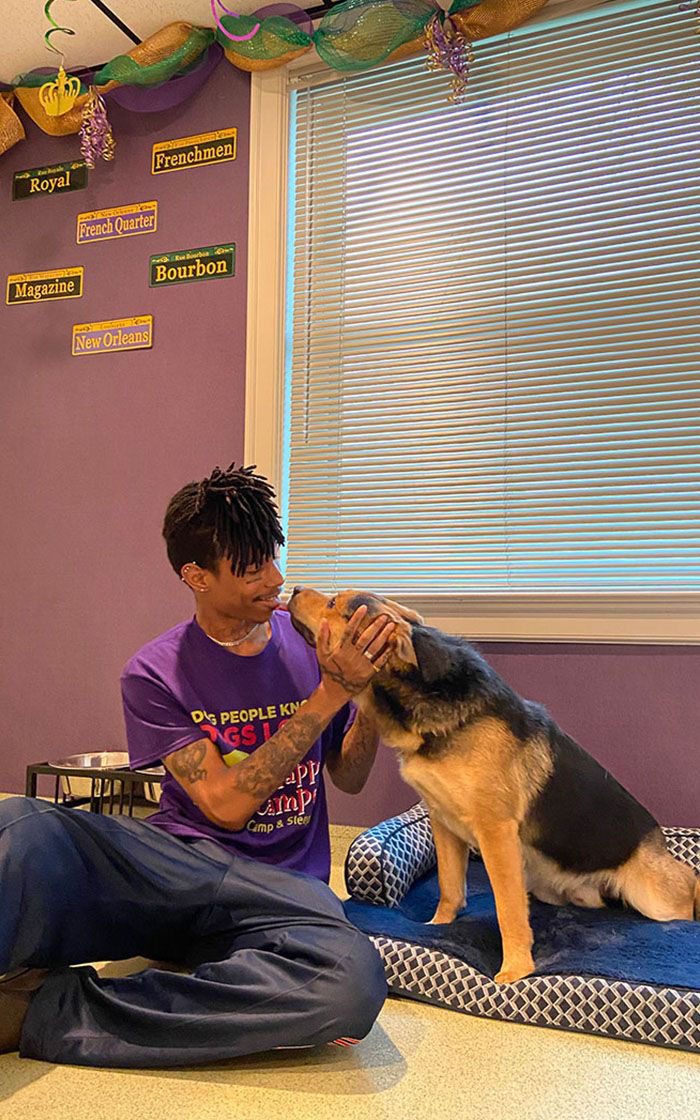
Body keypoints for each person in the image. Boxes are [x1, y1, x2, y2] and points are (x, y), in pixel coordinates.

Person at [0, 464, 393, 1068]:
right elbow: (225, 807)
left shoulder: (311, 647)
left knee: (350, 979)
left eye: (273, 558)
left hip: (282, 894)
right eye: (252, 567)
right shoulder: (154, 672)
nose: (276, 581)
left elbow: (350, 775)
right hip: (179, 867)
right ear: (196, 576)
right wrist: (331, 694)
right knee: (23, 828)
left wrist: (368, 693)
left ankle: (39, 1013)